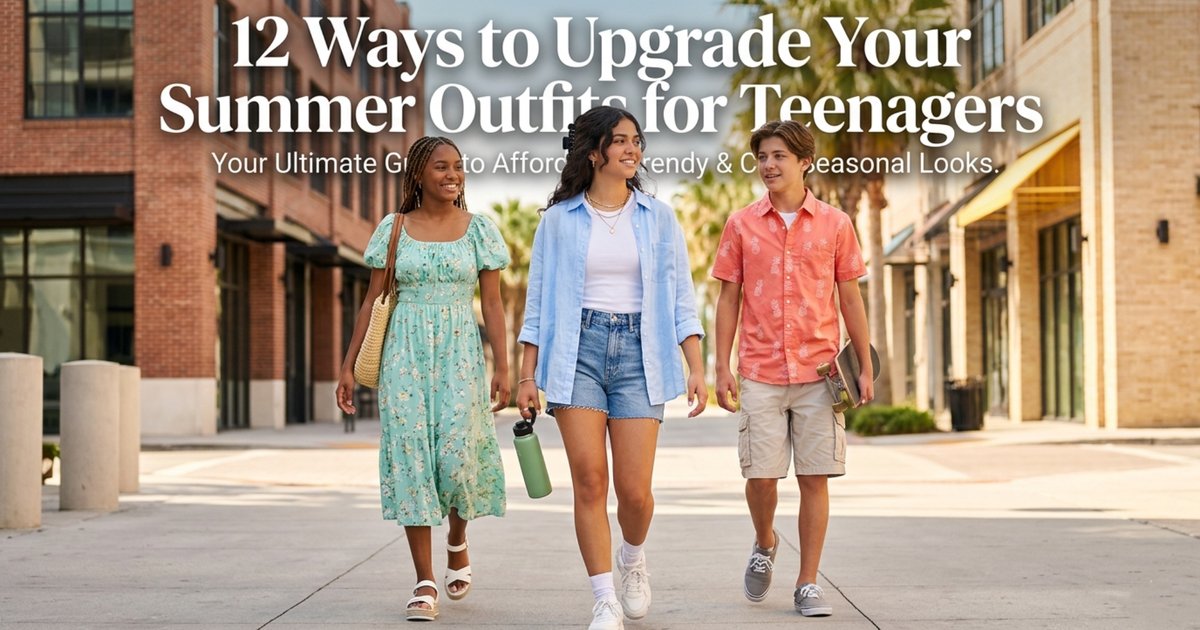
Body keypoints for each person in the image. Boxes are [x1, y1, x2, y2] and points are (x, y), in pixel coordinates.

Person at [515, 106, 707, 630]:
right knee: (589, 480)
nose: (632, 150)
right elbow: (537, 305)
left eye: (636, 141)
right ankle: (604, 597)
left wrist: (695, 365)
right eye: (620, 141)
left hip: (639, 353)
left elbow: (681, 299)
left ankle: (633, 557)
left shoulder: (658, 217)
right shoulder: (558, 221)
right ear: (594, 151)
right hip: (575, 351)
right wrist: (527, 374)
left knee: (636, 492)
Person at [336, 136, 511, 623]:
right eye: (441, 166)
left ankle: (457, 537)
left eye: (457, 166)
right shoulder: (394, 229)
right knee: (413, 456)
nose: (452, 174)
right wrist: (348, 364)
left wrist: (504, 365)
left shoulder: (479, 230)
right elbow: (372, 301)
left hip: (459, 352)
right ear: (418, 175)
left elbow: (492, 304)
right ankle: (424, 578)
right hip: (404, 355)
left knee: (458, 456)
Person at [710, 120, 872, 618]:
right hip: (759, 370)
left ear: (805, 162)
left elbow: (850, 295)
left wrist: (864, 364)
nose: (769, 165)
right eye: (762, 157)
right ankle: (765, 541)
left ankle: (807, 582)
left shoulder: (836, 224)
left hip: (819, 372)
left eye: (779, 156)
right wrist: (722, 366)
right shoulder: (741, 224)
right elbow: (728, 297)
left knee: (814, 478)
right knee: (761, 477)